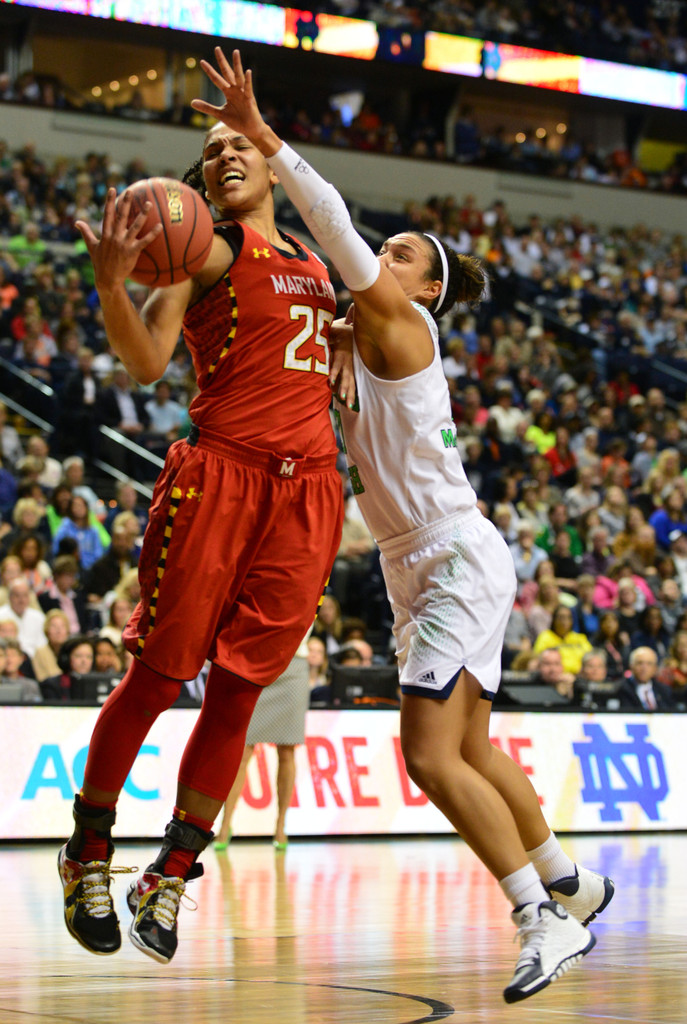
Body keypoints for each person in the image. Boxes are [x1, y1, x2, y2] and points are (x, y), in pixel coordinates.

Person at [196, 48, 611, 1004]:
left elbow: (333, 227)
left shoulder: (399, 320)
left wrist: (267, 141)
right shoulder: (366, 333)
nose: (383, 260)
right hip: (423, 556)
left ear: (425, 291)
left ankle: (536, 919)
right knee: (470, 750)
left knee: (426, 757)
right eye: (388, 253)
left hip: (449, 552)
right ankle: (567, 881)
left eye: (402, 259)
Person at [58, 63, 346, 968]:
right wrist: (112, 287)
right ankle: (88, 851)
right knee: (157, 674)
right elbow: (146, 362)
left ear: (267, 162)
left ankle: (173, 873)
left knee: (239, 693)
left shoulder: (317, 261)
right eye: (210, 151)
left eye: (237, 147)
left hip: (309, 495)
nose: (223, 155)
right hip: (221, 478)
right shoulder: (208, 251)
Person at [214, 630, 311, 851]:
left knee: (287, 749)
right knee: (243, 749)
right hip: (256, 659)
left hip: (293, 664)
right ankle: (225, 824)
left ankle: (280, 826)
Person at [617, 646, 675, 711]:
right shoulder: (621, 690)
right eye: (640, 663)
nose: (644, 668)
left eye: (649, 664)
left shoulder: (664, 691)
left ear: (655, 668)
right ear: (631, 666)